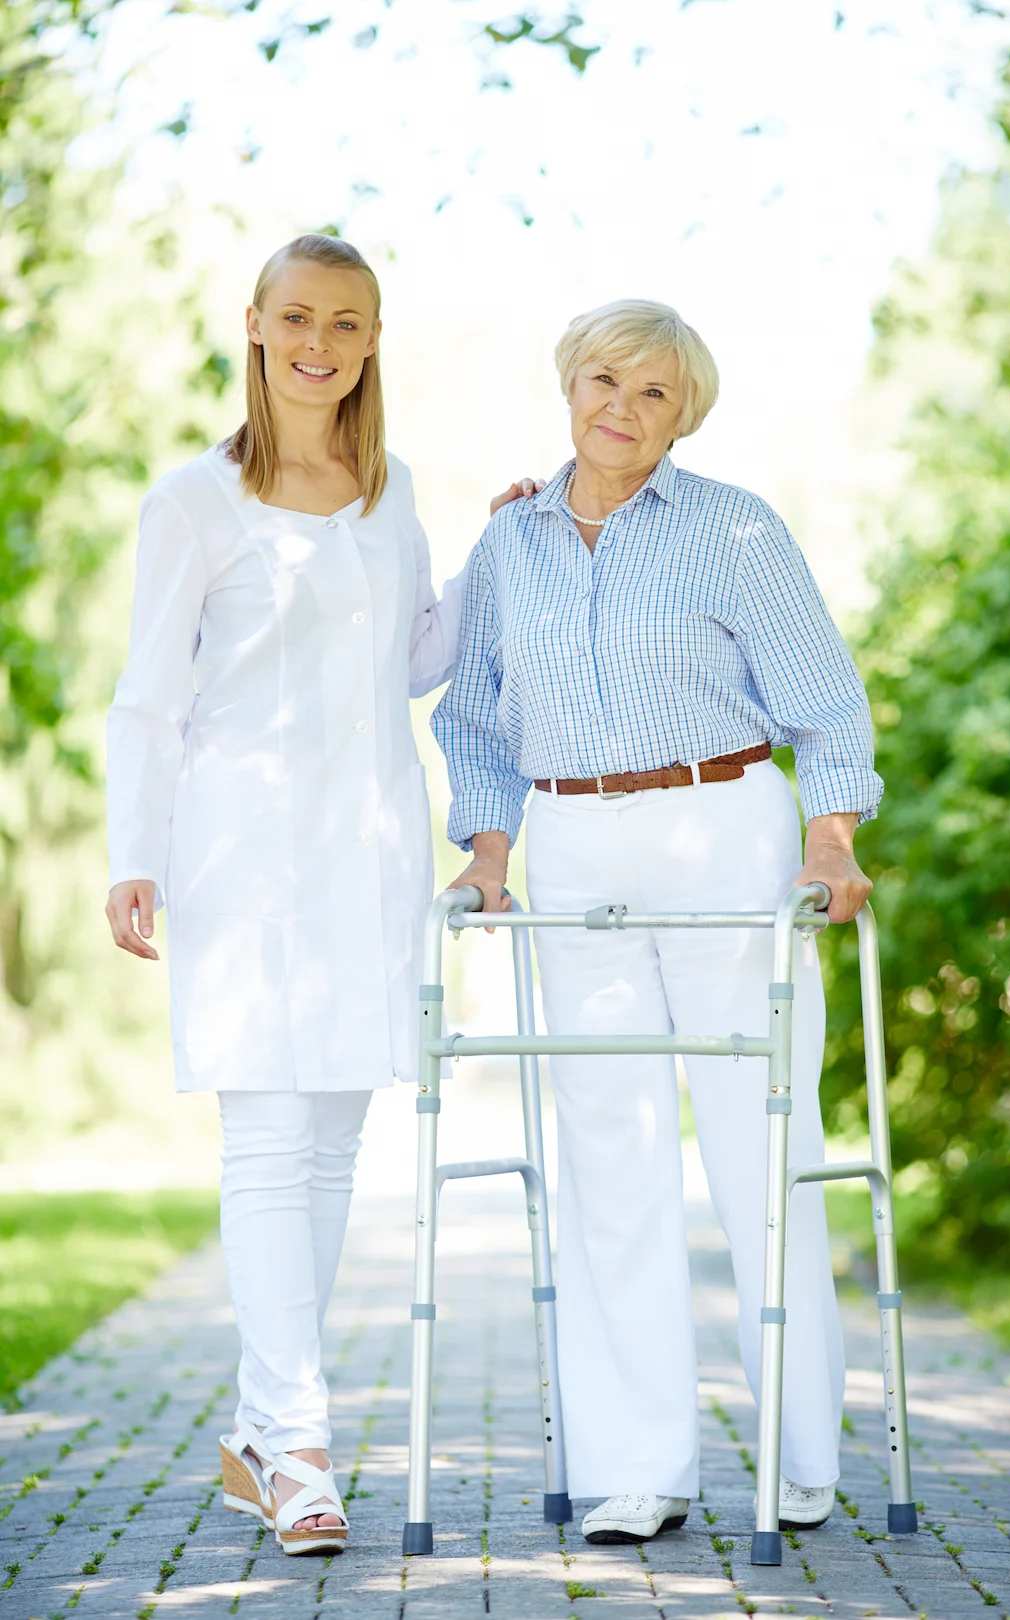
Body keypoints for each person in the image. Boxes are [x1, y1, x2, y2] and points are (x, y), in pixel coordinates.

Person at [105, 234, 536, 1555]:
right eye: (298, 316)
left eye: (347, 323)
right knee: (267, 1137)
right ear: (254, 325)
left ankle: (262, 1431)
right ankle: (297, 1444)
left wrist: (495, 553)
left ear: (370, 341)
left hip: (369, 849)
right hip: (239, 857)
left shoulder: (386, 485)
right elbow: (150, 691)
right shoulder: (195, 501)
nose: (320, 342)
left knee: (337, 1142)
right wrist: (137, 849)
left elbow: (411, 656)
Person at [432, 299, 882, 1545]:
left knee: (762, 1142)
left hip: (724, 828)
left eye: (654, 397)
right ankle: (640, 1469)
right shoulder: (511, 543)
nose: (620, 412)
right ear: (567, 382)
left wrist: (829, 836)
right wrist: (488, 855)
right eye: (604, 382)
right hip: (573, 846)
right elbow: (473, 720)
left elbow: (828, 707)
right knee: (610, 1161)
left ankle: (799, 1458)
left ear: (686, 418)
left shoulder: (735, 529)